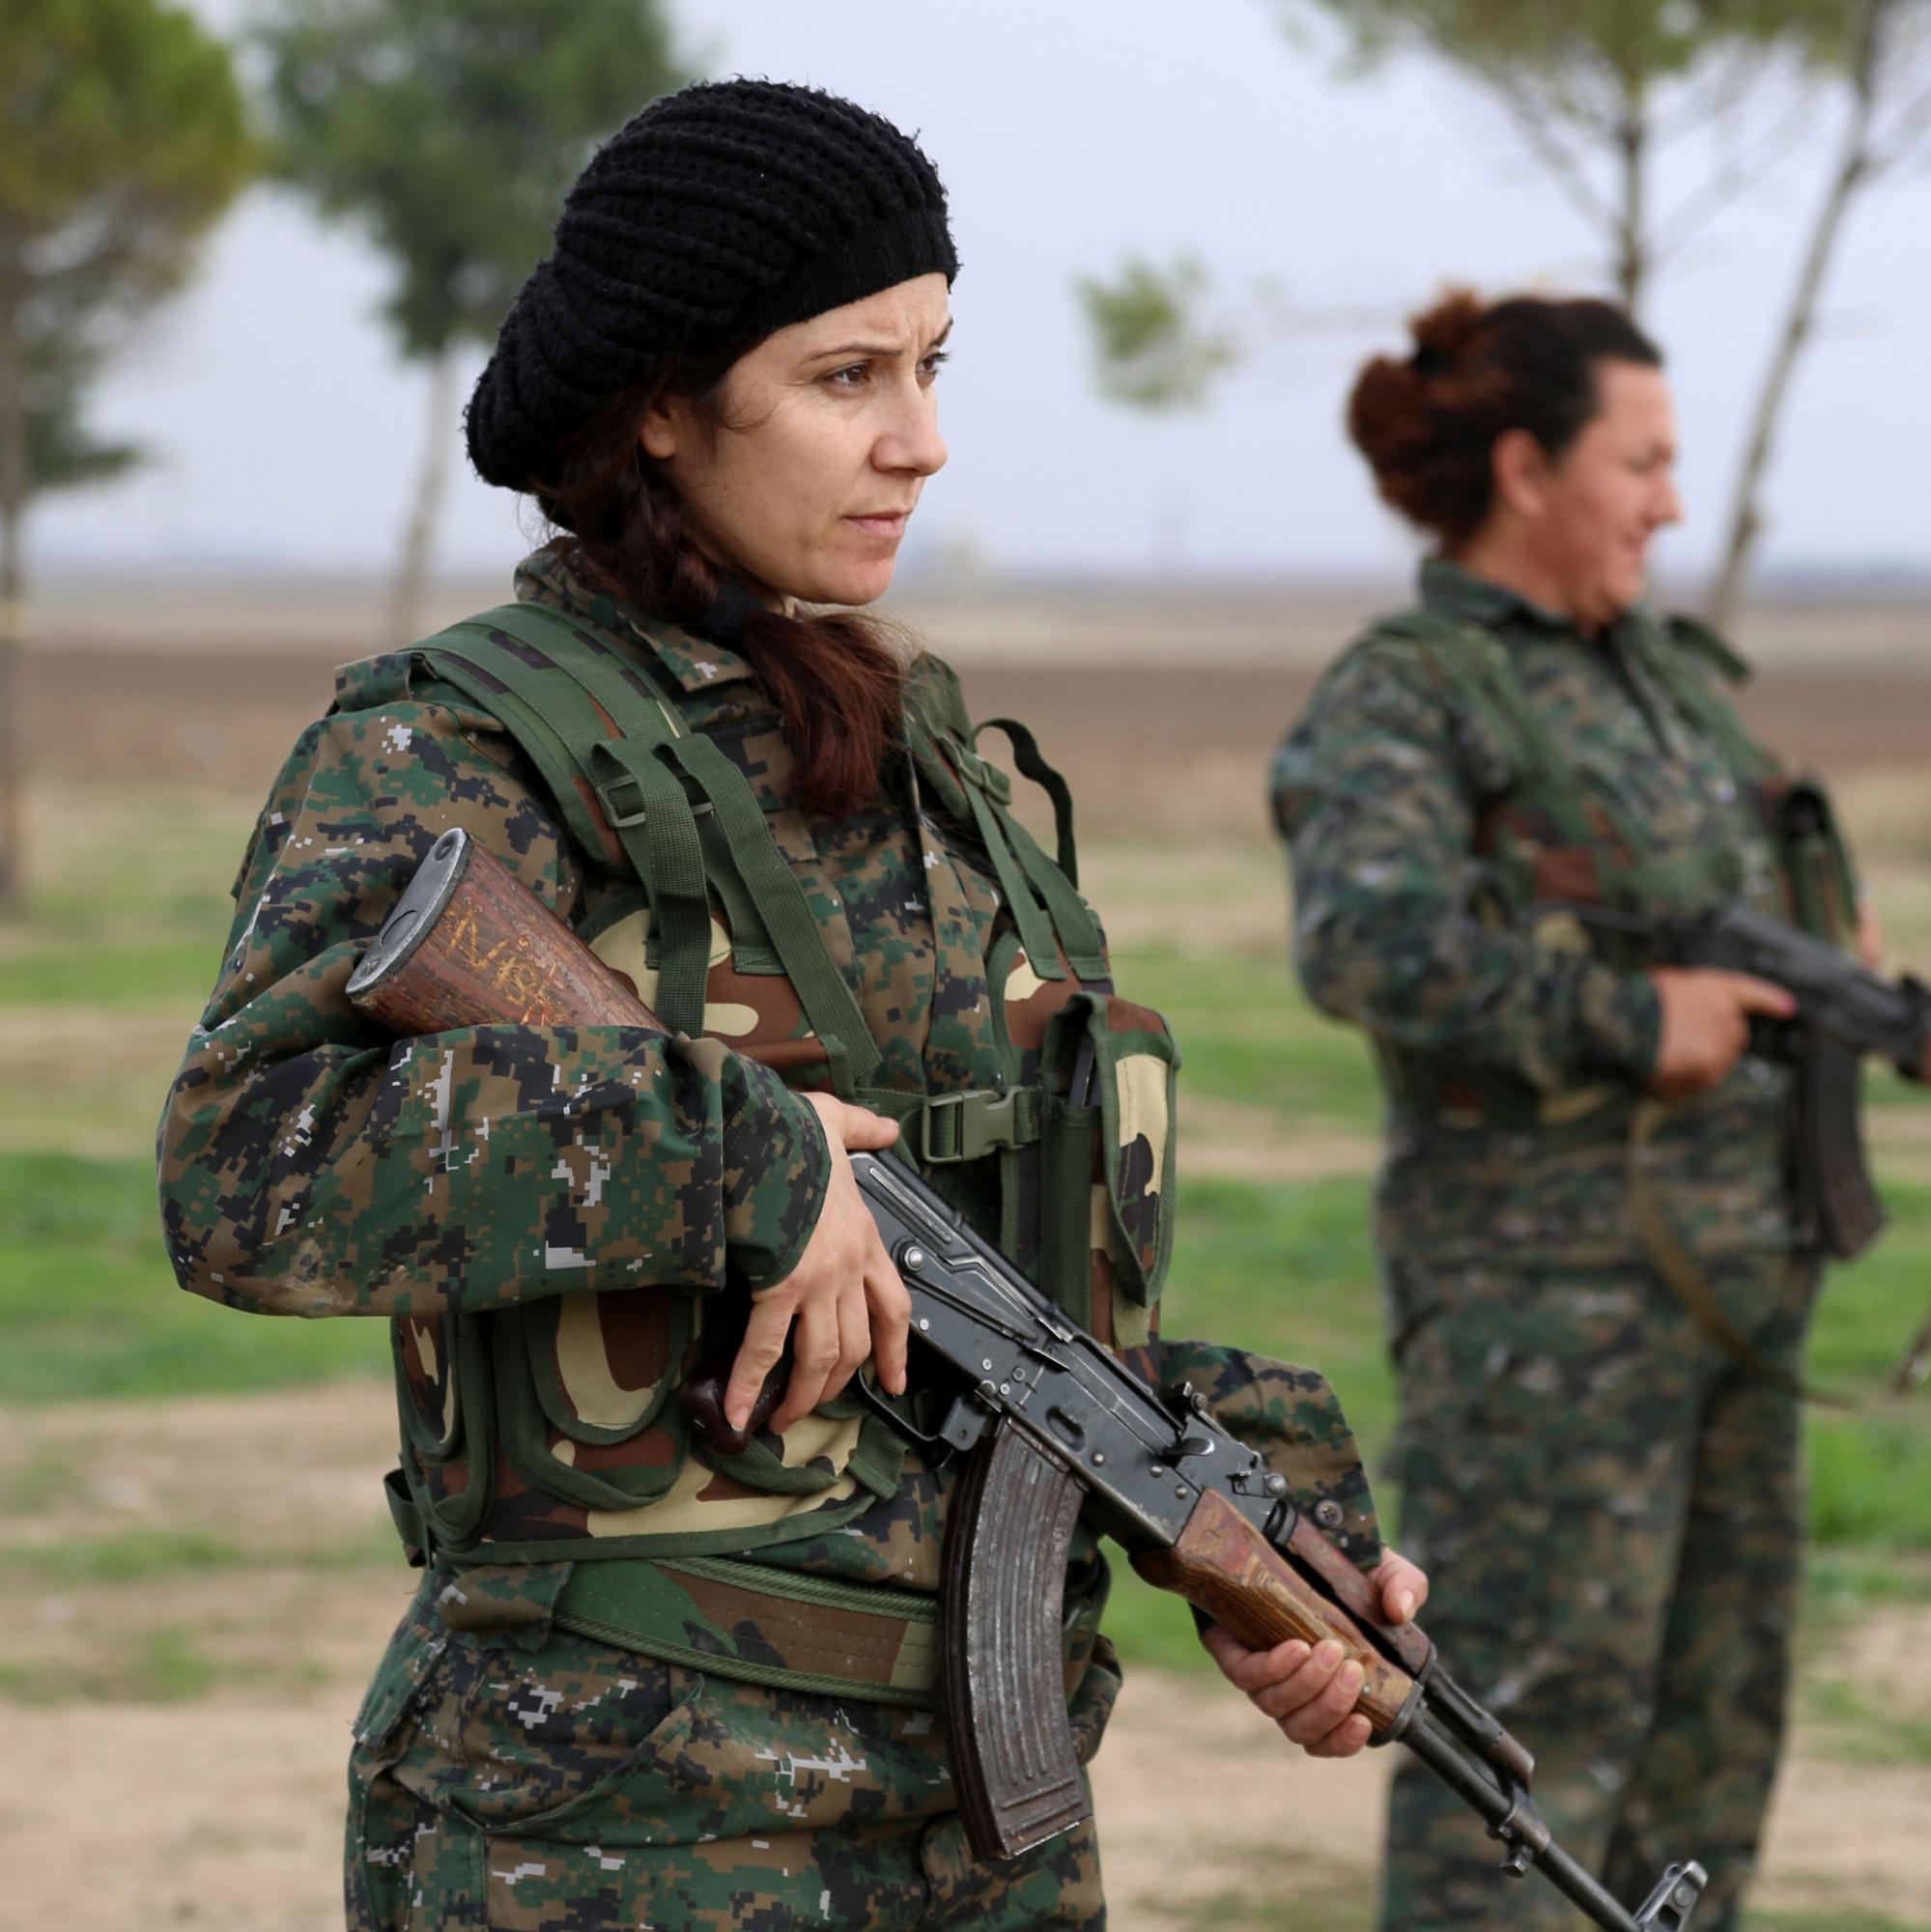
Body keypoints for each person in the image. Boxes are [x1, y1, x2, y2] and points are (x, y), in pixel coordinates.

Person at [157, 79, 1421, 1932]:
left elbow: (983, 1291)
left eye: (932, 366)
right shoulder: (466, 744)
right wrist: (726, 1160)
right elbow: (243, 1170)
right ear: (662, 407)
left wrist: (1250, 1505)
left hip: (977, 1829)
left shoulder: (922, 754)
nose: (917, 441)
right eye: (849, 378)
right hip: (612, 1828)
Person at [1269, 289, 1877, 1931]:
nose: (1672, 502)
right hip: (1546, 1329)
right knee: (1527, 1759)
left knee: (1713, 1742)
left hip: (1732, 1297)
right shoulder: (1415, 690)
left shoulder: (1664, 682)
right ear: (1528, 467)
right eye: (1646, 461)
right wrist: (1628, 1018)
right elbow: (1367, 941)